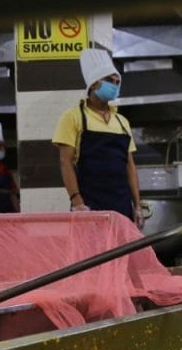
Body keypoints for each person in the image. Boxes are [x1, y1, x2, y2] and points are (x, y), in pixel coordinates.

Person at [52, 48, 144, 228]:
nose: (115, 85)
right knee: (95, 253)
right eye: (110, 80)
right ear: (94, 84)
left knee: (121, 254)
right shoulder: (73, 117)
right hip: (90, 204)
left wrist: (138, 205)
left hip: (122, 205)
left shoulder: (122, 121)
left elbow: (130, 166)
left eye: (117, 82)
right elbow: (65, 162)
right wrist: (76, 200)